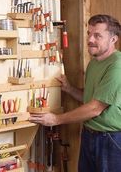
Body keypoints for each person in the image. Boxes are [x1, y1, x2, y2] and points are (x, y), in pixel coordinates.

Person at [29, 14, 121, 172]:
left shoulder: (116, 66)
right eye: (89, 34)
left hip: (110, 139)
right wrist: (70, 89)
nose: (90, 39)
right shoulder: (94, 63)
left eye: (97, 35)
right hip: (89, 135)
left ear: (113, 39)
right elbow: (91, 98)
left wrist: (56, 119)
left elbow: (95, 107)